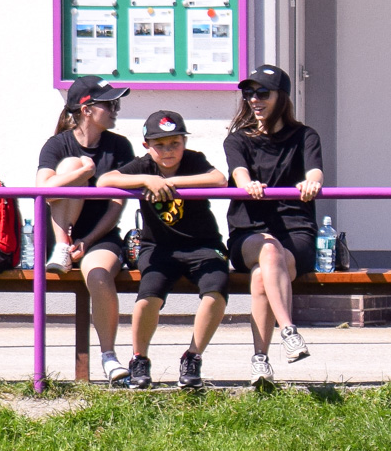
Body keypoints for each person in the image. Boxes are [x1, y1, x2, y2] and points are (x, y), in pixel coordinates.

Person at [98, 111, 228, 390]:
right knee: (148, 296)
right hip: (158, 247)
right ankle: (139, 359)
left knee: (215, 290)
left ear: (184, 142)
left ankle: (192, 357)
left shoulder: (194, 160)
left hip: (203, 245)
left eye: (175, 143)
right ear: (147, 146)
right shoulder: (143, 165)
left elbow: (219, 179)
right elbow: (104, 181)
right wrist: (147, 180)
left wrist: (170, 183)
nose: (168, 151)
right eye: (160, 145)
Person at [224, 64, 323, 388]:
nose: (254, 99)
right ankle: (288, 330)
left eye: (262, 93)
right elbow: (238, 172)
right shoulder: (237, 139)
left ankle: (260, 361)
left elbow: (315, 171)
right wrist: (247, 184)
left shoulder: (305, 136)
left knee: (261, 275)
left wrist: (312, 183)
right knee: (268, 249)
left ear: (281, 97)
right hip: (249, 232)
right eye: (249, 93)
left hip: (295, 232)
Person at [37, 76, 138, 385]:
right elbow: (43, 191)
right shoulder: (58, 144)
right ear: (86, 109)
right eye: (109, 104)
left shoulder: (119, 146)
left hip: (98, 236)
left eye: (116, 104)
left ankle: (109, 357)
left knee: (98, 275)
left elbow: (116, 205)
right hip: (58, 235)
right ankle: (61, 247)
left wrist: (88, 240)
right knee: (71, 166)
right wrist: (85, 172)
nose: (116, 109)